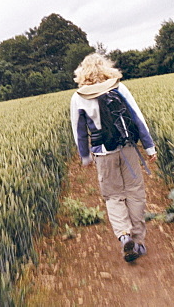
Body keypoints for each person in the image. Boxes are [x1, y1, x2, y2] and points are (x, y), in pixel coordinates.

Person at [69, 53, 157, 262]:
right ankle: (139, 241)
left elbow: (79, 130)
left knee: (113, 195)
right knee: (135, 192)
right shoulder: (118, 87)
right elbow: (136, 117)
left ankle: (124, 236)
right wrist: (149, 146)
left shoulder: (79, 96)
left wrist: (85, 156)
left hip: (103, 152)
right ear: (106, 68)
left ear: (82, 73)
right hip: (128, 148)